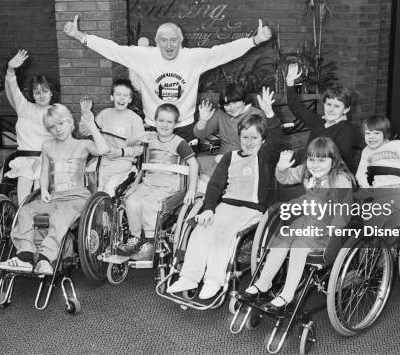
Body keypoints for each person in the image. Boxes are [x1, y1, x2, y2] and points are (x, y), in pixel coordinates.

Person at [63, 15, 273, 140]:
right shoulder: (144, 56)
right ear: (156, 41)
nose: (169, 45)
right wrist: (80, 36)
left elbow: (221, 52)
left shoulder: (193, 58)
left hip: (185, 127)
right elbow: (113, 50)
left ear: (181, 41)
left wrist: (254, 40)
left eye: (174, 40)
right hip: (153, 125)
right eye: (164, 40)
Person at [167, 87, 285, 300]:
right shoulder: (230, 157)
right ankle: (189, 276)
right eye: (244, 137)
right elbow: (214, 186)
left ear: (262, 140)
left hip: (251, 210)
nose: (248, 142)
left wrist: (269, 113)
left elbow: (277, 139)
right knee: (201, 231)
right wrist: (209, 209)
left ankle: (213, 280)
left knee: (223, 236)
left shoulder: (265, 156)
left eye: (253, 138)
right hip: (226, 206)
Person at [238, 138, 354, 313]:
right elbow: (284, 178)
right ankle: (263, 282)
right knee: (282, 237)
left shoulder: (340, 180)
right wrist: (282, 167)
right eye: (312, 159)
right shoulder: (307, 171)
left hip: (329, 229)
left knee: (299, 245)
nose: (316, 165)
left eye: (322, 160)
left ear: (334, 160)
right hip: (307, 222)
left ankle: (287, 294)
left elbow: (343, 215)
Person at [0, 103, 112, 275]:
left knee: (59, 217)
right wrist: (43, 190)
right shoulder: (48, 145)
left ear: (71, 123)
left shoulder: (83, 145)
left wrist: (91, 125)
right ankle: (25, 256)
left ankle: (44, 258)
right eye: (52, 127)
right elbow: (44, 172)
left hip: (77, 198)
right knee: (26, 211)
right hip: (55, 197)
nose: (57, 129)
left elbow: (104, 149)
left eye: (61, 124)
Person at [118, 103, 199, 262]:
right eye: (161, 120)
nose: (165, 125)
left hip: (169, 186)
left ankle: (149, 243)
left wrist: (191, 190)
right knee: (132, 201)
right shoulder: (150, 137)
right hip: (148, 183)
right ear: (155, 121)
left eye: (169, 122)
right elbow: (127, 143)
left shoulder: (179, 143)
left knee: (149, 205)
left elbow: (194, 165)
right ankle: (135, 238)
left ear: (175, 124)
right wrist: (140, 137)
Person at [355, 116, 400, 229]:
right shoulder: (366, 151)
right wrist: (365, 186)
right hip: (376, 191)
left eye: (376, 133)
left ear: (385, 133)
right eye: (368, 133)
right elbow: (360, 173)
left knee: (374, 219)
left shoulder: (396, 145)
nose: (371, 137)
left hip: (396, 190)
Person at [3, 50, 55, 204]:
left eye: (45, 91)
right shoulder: (24, 108)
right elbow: (13, 90)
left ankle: (38, 215)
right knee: (25, 177)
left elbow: (64, 134)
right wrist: (11, 70)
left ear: (52, 93)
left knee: (40, 182)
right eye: (37, 92)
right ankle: (22, 215)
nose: (41, 95)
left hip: (46, 159)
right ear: (32, 94)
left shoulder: (56, 111)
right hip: (24, 158)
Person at [285, 62, 360, 170]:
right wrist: (290, 83)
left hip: (330, 174)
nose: (331, 109)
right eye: (328, 104)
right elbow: (296, 108)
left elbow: (337, 157)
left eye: (337, 106)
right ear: (324, 104)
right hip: (310, 169)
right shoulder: (318, 120)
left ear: (346, 109)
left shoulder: (346, 129)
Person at [78, 79, 145, 194]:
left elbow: (140, 149)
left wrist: (121, 152)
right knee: (87, 179)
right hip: (103, 159)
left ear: (130, 99)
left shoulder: (135, 120)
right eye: (118, 94)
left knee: (104, 185)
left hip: (122, 162)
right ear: (112, 97)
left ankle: (103, 201)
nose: (121, 98)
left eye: (125, 95)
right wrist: (85, 113)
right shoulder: (105, 114)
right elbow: (84, 131)